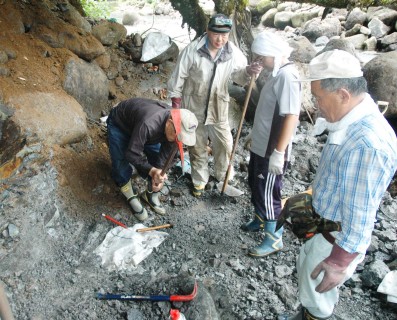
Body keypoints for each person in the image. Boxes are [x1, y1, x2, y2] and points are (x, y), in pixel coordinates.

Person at [278, 50, 397, 320]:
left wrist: (339, 262)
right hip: (323, 220)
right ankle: (307, 312)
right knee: (309, 282)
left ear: (343, 94)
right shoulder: (350, 118)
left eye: (319, 98)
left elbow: (360, 213)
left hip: (335, 237)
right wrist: (305, 198)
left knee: (317, 290)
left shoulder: (367, 143)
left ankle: (313, 315)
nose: (316, 105)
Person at [167, 13, 259, 197]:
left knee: (224, 144)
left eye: (225, 35)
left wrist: (248, 71)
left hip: (219, 106)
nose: (220, 39)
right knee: (197, 145)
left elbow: (238, 78)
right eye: (216, 34)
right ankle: (200, 180)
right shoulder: (192, 50)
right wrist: (176, 107)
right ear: (207, 31)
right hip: (193, 105)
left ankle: (222, 176)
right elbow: (177, 79)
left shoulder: (232, 52)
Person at [240, 32, 301, 257]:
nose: (259, 60)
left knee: (268, 191)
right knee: (254, 183)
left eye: (261, 56)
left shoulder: (288, 76)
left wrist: (279, 151)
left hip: (272, 149)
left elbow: (291, 116)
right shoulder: (276, 73)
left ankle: (274, 238)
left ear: (273, 54)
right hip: (261, 144)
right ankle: (259, 218)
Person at [106, 98, 198, 221]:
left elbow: (168, 155)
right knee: (120, 161)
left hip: (145, 131)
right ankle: (128, 191)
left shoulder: (174, 130)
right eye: (178, 135)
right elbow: (132, 153)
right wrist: (151, 170)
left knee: (157, 158)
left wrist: (158, 174)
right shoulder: (149, 124)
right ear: (169, 123)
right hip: (120, 125)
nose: (179, 139)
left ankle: (150, 193)